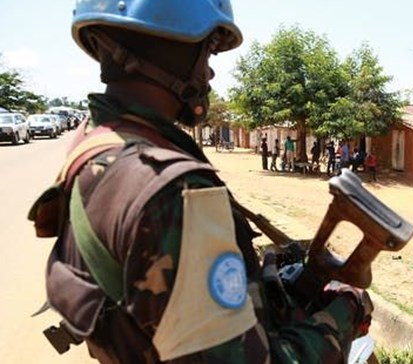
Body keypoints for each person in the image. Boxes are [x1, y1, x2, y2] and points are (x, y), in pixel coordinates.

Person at [28, 1, 373, 362]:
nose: (208, 73)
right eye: (205, 51)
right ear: (168, 46)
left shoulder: (95, 144)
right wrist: (344, 312)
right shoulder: (175, 190)